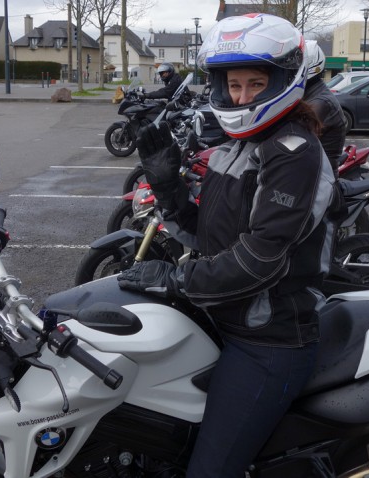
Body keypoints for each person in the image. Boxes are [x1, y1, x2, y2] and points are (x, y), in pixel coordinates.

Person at [115, 13, 337, 478]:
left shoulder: (293, 152)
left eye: (255, 83)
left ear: (284, 78)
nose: (242, 97)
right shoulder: (235, 145)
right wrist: (168, 188)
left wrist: (177, 278)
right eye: (233, 86)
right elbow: (207, 235)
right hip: (219, 316)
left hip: (268, 338)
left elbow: (259, 259)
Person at [303, 40, 347, 177]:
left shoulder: (320, 103)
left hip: (319, 179)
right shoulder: (308, 93)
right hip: (311, 169)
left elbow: (294, 136)